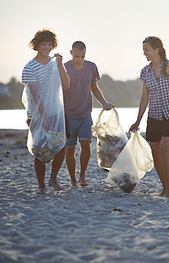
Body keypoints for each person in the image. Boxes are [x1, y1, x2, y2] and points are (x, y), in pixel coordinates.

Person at [129, 36, 169, 198]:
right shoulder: (145, 71)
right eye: (144, 50)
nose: (144, 53)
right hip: (154, 116)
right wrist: (138, 120)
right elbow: (144, 98)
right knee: (155, 153)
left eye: (147, 50)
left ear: (157, 49)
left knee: (164, 150)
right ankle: (165, 187)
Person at [21, 28, 70, 193]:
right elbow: (35, 96)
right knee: (41, 149)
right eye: (44, 44)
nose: (47, 47)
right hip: (37, 115)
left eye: (50, 44)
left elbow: (67, 85)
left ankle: (53, 179)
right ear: (37, 45)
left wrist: (60, 65)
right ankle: (41, 184)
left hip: (57, 111)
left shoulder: (55, 64)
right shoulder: (30, 67)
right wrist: (44, 118)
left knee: (61, 145)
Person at [63, 41, 113, 187]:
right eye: (76, 56)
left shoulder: (91, 67)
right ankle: (72, 179)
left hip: (85, 114)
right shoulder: (64, 68)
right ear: (71, 53)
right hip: (68, 115)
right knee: (70, 148)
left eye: (82, 56)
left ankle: (82, 176)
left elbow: (94, 88)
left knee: (86, 144)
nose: (79, 59)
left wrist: (104, 103)